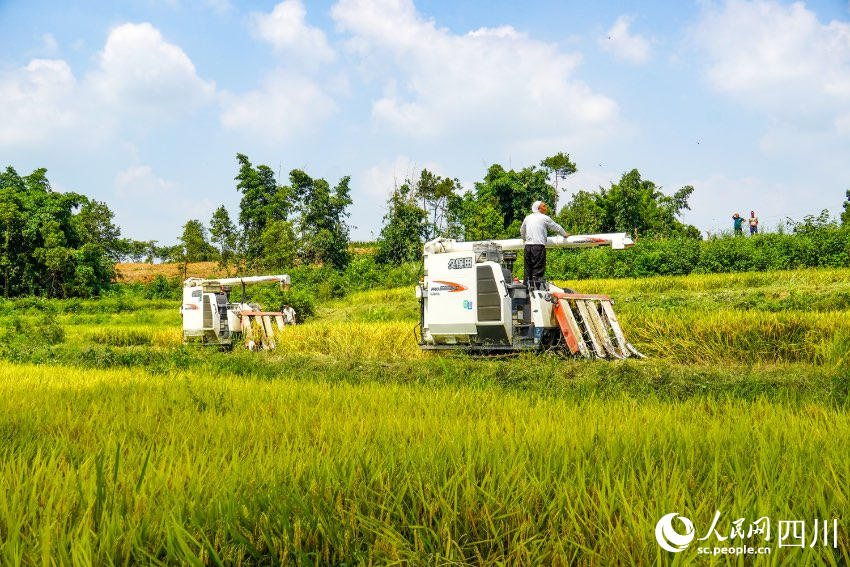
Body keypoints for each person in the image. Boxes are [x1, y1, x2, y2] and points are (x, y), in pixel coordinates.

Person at [520, 200, 568, 290]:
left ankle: (526, 291)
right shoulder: (544, 218)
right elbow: (557, 227)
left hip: (528, 247)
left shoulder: (527, 218)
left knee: (528, 270)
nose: (546, 208)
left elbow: (522, 230)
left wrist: (524, 239)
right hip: (538, 247)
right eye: (544, 206)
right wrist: (565, 234)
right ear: (539, 209)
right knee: (538, 270)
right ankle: (536, 290)